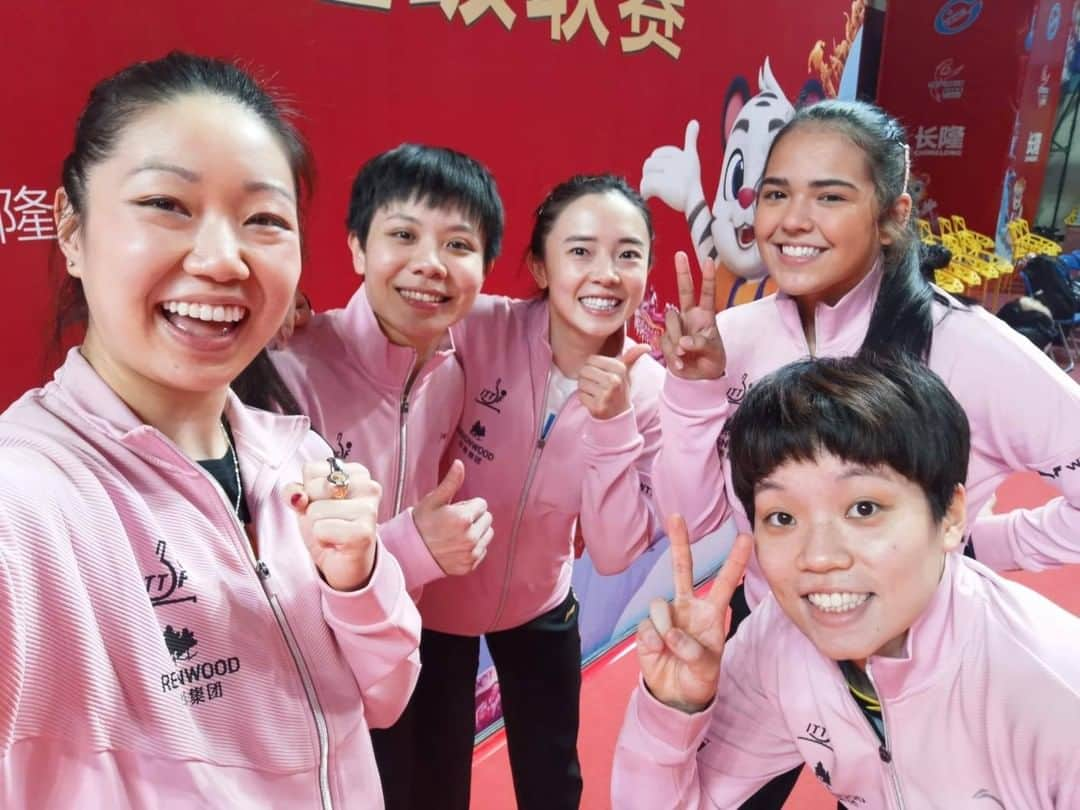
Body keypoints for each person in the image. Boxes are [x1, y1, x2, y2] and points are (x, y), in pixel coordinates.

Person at [0, 52, 419, 808]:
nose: (223, 260)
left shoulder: (298, 457)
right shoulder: (25, 501)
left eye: (263, 220)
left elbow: (387, 693)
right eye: (167, 204)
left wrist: (356, 580)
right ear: (71, 226)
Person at [654, 98, 1080, 808]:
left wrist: (980, 545)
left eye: (830, 197)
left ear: (890, 216)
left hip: (935, 664)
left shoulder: (966, 348)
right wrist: (693, 392)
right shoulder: (732, 336)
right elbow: (690, 517)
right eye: (776, 194)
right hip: (778, 643)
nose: (792, 220)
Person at [613, 354, 1080, 809]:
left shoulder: (1056, 692)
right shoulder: (776, 644)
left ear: (952, 516)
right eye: (781, 516)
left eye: (864, 509)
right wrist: (672, 712)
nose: (818, 557)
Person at [391, 174, 665, 810]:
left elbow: (618, 551)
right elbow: (377, 333)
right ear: (541, 265)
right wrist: (291, 321)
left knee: (553, 781)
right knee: (436, 787)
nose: (606, 273)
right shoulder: (478, 326)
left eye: (628, 254)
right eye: (580, 251)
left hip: (543, 604)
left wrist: (612, 423)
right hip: (436, 603)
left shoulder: (647, 391)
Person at [269, 143, 501, 806]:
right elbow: (271, 572)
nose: (430, 264)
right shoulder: (289, 368)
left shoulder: (452, 372)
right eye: (403, 235)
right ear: (356, 249)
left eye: (459, 244)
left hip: (407, 655)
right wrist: (411, 547)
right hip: (311, 687)